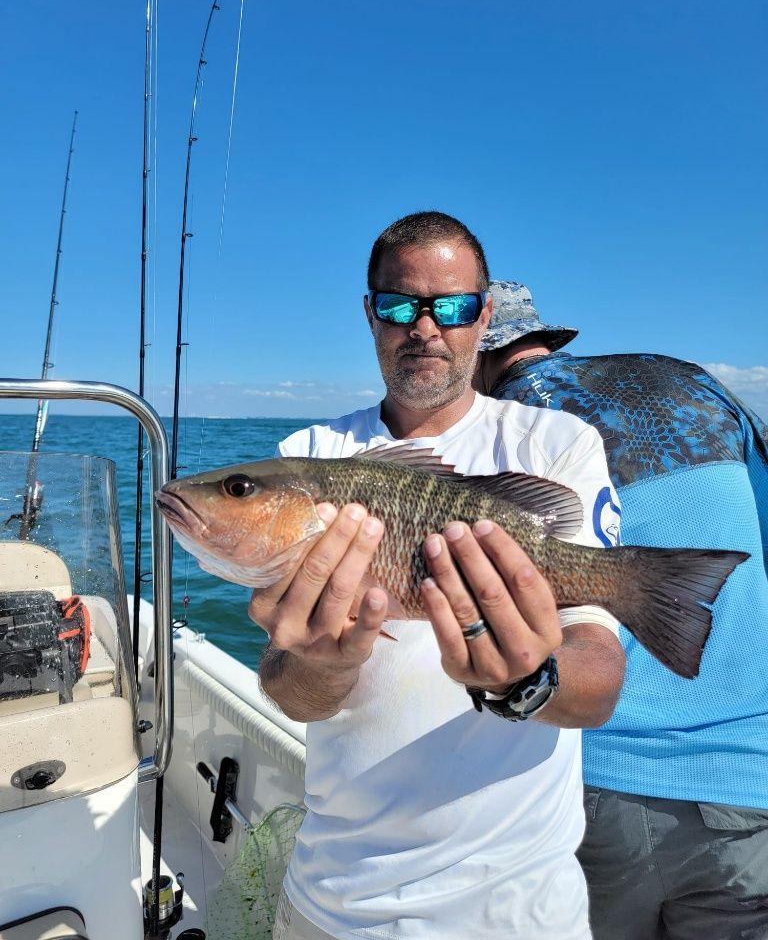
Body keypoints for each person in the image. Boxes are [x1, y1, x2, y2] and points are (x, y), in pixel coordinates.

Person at [248, 212, 625, 940]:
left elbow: (600, 682)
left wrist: (527, 682)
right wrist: (322, 665)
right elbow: (293, 696)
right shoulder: (308, 453)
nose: (425, 328)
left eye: (451, 307)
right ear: (370, 313)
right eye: (400, 306)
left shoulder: (557, 445)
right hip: (334, 905)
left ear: (483, 316)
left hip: (517, 916)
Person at [476, 279, 768, 940]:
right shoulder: (694, 381)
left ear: (478, 353)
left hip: (596, 786)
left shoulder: (502, 427)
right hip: (750, 789)